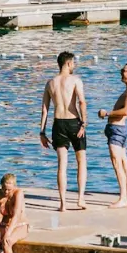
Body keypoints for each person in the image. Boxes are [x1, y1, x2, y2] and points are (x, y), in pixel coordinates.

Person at [39, 52, 91, 210]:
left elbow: (44, 109)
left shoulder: (50, 83)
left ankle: (63, 204)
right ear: (68, 64)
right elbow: (82, 102)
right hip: (74, 122)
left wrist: (42, 132)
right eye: (73, 63)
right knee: (81, 161)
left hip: (58, 124)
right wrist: (83, 123)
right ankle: (81, 199)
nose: (74, 66)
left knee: (62, 164)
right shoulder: (75, 80)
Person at [98, 61, 127, 207]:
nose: (121, 72)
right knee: (124, 163)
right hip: (119, 129)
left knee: (117, 163)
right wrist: (124, 114)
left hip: (117, 130)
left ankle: (123, 198)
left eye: (124, 70)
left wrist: (107, 114)